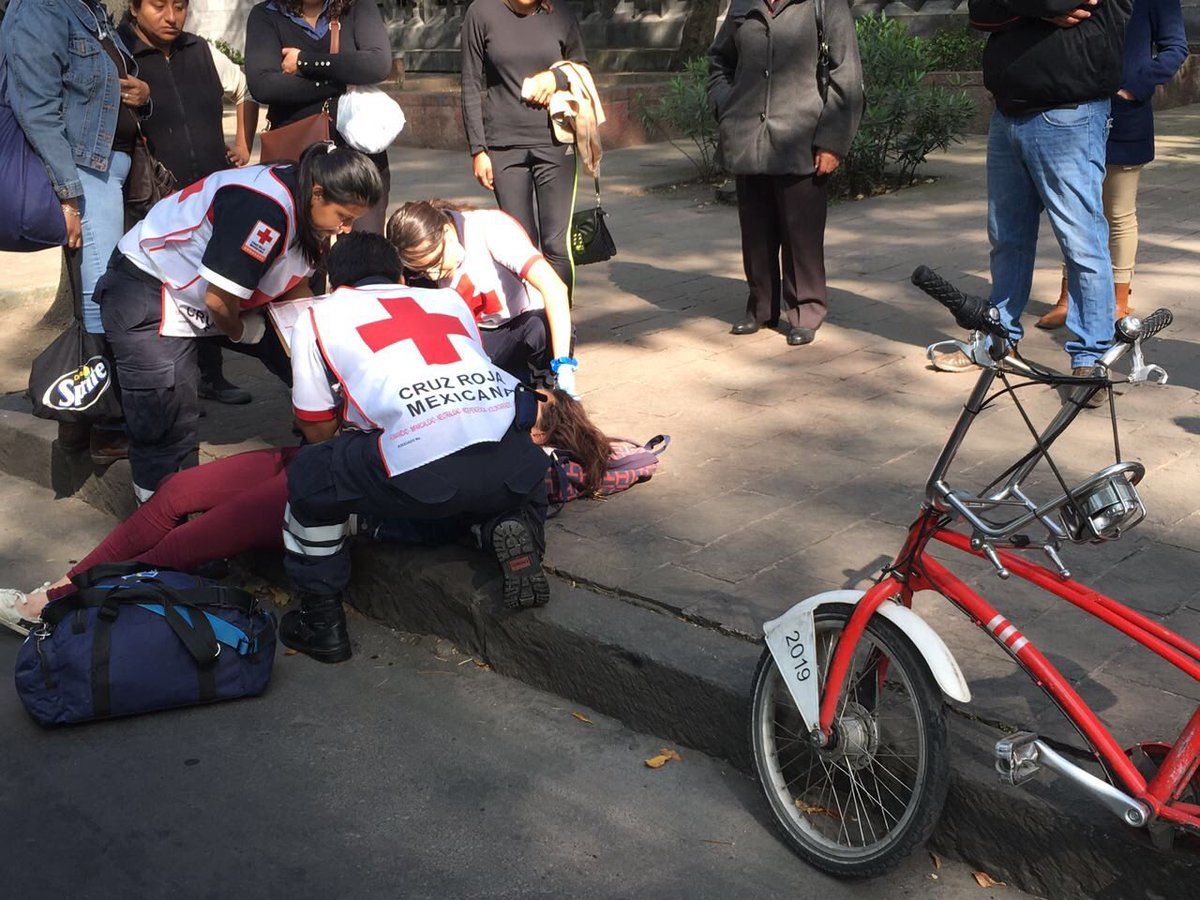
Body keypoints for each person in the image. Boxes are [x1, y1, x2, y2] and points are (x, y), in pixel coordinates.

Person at [280, 232, 552, 663]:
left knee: (311, 475)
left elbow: (315, 428)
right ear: (401, 275)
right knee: (490, 482)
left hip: (425, 469)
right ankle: (506, 527)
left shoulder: (317, 316)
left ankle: (321, 621)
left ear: (334, 282)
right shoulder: (447, 301)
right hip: (513, 459)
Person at [99, 142, 382, 504]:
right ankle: (159, 517)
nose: (346, 229)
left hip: (220, 294)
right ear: (317, 192)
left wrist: (306, 345)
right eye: (344, 216)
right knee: (166, 420)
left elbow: (294, 282)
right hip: (152, 288)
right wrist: (241, 331)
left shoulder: (307, 203)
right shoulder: (263, 211)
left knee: (316, 364)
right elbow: (218, 299)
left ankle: (326, 457)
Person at [931, 0, 1133, 381]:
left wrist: (1025, 9)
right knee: (1006, 237)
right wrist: (1034, 10)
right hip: (1008, 113)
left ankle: (1091, 358)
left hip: (1069, 112)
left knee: (1080, 240)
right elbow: (980, 9)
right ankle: (998, 341)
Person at [2, 0, 150, 460]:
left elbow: (106, 87)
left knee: (106, 289)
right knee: (99, 294)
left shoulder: (90, 10)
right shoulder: (38, 11)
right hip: (85, 173)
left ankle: (81, 421)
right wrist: (68, 193)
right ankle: (103, 422)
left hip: (114, 169)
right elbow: (36, 108)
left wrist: (145, 97)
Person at [118, 0, 263, 406]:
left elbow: (247, 87)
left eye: (179, 7)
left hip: (210, 195)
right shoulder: (119, 54)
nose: (170, 17)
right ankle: (176, 389)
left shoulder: (200, 50)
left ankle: (211, 378)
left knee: (208, 284)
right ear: (133, 7)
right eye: (157, 6)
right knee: (163, 296)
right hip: (154, 202)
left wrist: (242, 143)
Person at [707, 0, 864, 347]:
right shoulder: (743, 4)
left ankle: (805, 311)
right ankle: (761, 308)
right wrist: (726, 105)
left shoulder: (825, 4)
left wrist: (833, 142)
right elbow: (719, 60)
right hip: (750, 137)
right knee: (756, 232)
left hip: (803, 139)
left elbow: (846, 75)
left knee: (801, 235)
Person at [1035, 0, 1188, 330]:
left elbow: (1176, 48)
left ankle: (1118, 300)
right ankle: (1068, 297)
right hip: (1074, 111)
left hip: (1125, 117)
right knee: (1075, 211)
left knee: (1118, 213)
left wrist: (1134, 89)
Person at [387, 199, 579, 395]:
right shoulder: (417, 267)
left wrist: (563, 363)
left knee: (542, 327)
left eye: (435, 262)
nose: (433, 275)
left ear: (447, 232)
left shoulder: (490, 229)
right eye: (422, 270)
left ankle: (544, 385)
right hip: (475, 340)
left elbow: (554, 288)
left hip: (521, 326)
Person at [461, 0, 587, 294]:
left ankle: (560, 322)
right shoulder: (481, 12)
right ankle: (530, 322)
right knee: (520, 243)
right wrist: (478, 149)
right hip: (504, 146)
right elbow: (469, 82)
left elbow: (581, 66)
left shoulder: (560, 12)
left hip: (556, 142)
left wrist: (555, 78)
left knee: (556, 243)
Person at [245, 0, 393, 233]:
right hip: (296, 156)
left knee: (364, 253)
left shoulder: (357, 6)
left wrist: (305, 61)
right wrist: (341, 80)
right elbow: (264, 85)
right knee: (300, 254)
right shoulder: (266, 15)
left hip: (358, 155)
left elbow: (378, 64)